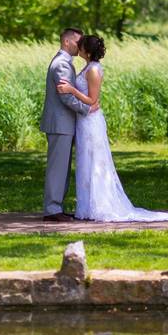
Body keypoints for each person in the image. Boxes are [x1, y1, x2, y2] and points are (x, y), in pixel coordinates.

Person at [57, 34, 168, 222]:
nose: (78, 48)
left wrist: (71, 90)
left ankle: (100, 206)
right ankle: (86, 207)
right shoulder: (87, 67)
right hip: (84, 121)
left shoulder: (93, 70)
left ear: (86, 50)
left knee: (95, 162)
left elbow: (92, 100)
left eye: (81, 45)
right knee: (85, 162)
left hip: (91, 122)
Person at [39, 27, 98, 222]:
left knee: (62, 168)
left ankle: (56, 208)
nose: (80, 46)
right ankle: (52, 209)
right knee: (58, 168)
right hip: (60, 124)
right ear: (66, 42)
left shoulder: (64, 63)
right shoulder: (62, 64)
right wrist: (86, 109)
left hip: (63, 124)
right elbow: (66, 97)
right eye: (77, 42)